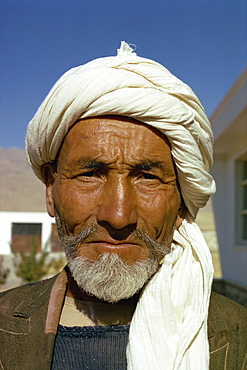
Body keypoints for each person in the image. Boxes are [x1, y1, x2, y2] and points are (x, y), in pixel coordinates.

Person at [0, 42, 246, 370]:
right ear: (50, 188)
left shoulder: (237, 335)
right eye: (91, 173)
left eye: (147, 177)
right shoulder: (6, 323)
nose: (118, 216)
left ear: (181, 204)